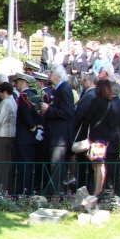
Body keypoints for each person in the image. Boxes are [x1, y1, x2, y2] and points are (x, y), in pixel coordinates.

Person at [39, 64, 75, 195]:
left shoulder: (64, 89)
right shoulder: (57, 89)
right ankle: (53, 191)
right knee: (53, 165)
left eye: (51, 72)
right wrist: (47, 112)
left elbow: (67, 112)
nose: (49, 75)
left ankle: (55, 193)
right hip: (54, 134)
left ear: (58, 75)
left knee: (56, 165)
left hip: (60, 135)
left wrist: (49, 109)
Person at [85, 80, 120, 196]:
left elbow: (87, 117)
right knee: (100, 165)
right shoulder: (111, 102)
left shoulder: (96, 102)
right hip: (106, 138)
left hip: (97, 138)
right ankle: (99, 190)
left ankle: (96, 192)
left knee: (97, 165)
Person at [13, 73, 41, 195]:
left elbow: (26, 116)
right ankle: (27, 189)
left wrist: (34, 129)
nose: (16, 84)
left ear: (23, 82)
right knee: (28, 165)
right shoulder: (35, 95)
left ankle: (23, 190)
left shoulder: (24, 96)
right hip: (31, 137)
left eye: (17, 82)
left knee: (23, 166)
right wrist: (38, 130)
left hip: (24, 136)